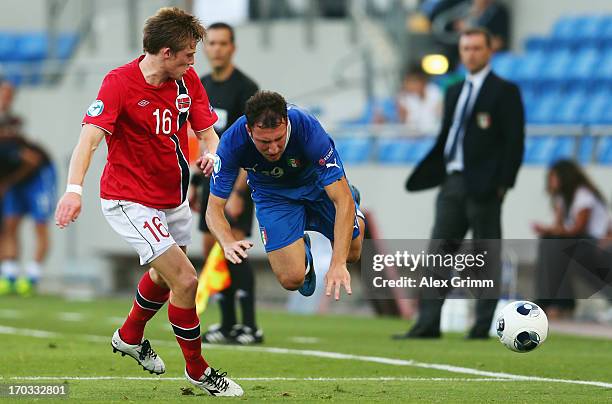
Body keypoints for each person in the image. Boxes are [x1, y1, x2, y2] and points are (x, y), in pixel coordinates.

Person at [54, 7, 242, 397]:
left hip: (172, 198)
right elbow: (88, 141)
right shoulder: (119, 84)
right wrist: (73, 191)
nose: (195, 61)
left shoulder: (187, 80)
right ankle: (197, 370)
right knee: (187, 279)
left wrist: (214, 155)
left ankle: (129, 335)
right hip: (129, 199)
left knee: (163, 276)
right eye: (189, 53)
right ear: (165, 53)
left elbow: (208, 134)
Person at [396, 27, 525, 339]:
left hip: (485, 186)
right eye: (466, 49)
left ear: (489, 50)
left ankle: (482, 326)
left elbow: (514, 142)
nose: (471, 54)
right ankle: (427, 323)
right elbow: (447, 137)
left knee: (485, 256)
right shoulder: (453, 91)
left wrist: (502, 185)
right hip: (452, 182)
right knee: (438, 252)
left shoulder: (504, 91)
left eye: (477, 48)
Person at [205, 90, 365, 302]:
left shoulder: (307, 127)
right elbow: (213, 210)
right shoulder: (232, 142)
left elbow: (341, 200)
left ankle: (353, 202)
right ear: (249, 130)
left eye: (279, 139)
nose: (273, 148)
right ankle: (303, 252)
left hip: (317, 186)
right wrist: (226, 241)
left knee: (351, 254)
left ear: (287, 123)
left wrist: (337, 264)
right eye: (264, 142)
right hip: (272, 194)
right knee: (291, 280)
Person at [187, 22, 261, 345]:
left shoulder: (246, 88)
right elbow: (200, 141)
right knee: (211, 249)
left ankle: (250, 325)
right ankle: (227, 323)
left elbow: (251, 142)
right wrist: (193, 182)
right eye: (211, 43)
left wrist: (238, 190)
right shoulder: (199, 86)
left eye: (222, 43)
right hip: (209, 182)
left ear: (233, 47)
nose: (216, 48)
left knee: (236, 248)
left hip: (237, 183)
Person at [533, 159, 612, 318]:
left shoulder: (583, 194)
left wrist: (552, 231)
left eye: (554, 177)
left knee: (557, 246)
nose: (551, 182)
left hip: (595, 243)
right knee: (548, 243)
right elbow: (559, 228)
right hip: (580, 244)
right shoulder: (562, 199)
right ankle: (550, 300)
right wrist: (550, 229)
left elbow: (578, 229)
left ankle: (559, 302)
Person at [0, 120, 56, 296]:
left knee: (40, 225)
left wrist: (10, 181)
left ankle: (32, 276)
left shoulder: (8, 146)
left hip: (38, 177)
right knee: (9, 225)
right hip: (14, 182)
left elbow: (32, 160)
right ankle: (9, 274)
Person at [397, 63, 443, 135]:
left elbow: (440, 115)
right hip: (412, 136)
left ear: (420, 82)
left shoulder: (435, 92)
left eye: (411, 82)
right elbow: (403, 121)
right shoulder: (405, 97)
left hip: (433, 134)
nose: (407, 85)